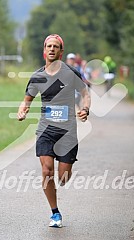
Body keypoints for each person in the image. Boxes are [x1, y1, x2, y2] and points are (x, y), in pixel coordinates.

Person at [17, 34, 91, 228]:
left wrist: (85, 109)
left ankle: (65, 172)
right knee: (46, 170)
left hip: (67, 131)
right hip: (46, 130)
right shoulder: (37, 76)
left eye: (55, 46)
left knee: (63, 177)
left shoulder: (70, 73)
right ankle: (55, 213)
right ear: (44, 50)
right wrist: (22, 110)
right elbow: (26, 100)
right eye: (48, 46)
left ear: (61, 51)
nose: (51, 49)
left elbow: (85, 94)